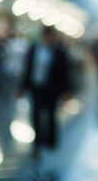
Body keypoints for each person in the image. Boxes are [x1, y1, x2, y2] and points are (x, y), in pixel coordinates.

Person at [19, 26, 71, 158]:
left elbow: (64, 73)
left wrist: (66, 90)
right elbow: (28, 69)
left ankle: (51, 141)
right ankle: (37, 141)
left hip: (51, 89)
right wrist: (22, 87)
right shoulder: (34, 50)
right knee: (36, 114)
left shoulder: (59, 52)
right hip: (37, 87)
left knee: (51, 114)